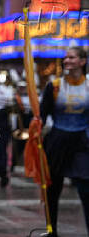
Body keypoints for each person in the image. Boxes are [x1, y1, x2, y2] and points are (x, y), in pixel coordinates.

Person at [40, 46, 89, 237]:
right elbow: (43, 114)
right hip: (57, 142)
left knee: (86, 190)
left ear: (82, 62)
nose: (66, 60)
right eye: (65, 57)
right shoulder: (54, 85)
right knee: (52, 190)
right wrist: (37, 124)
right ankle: (51, 230)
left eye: (71, 57)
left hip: (82, 143)